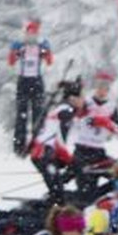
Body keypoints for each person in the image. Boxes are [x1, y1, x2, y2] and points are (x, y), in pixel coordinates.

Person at [30, 77, 84, 205]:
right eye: (81, 97)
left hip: (50, 153)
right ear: (72, 98)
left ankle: (58, 198)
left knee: (75, 168)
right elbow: (63, 117)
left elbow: (58, 141)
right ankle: (54, 207)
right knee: (57, 193)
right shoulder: (65, 109)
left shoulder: (64, 108)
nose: (83, 100)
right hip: (43, 155)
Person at [71, 69, 118, 195]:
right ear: (96, 86)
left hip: (98, 152)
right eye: (100, 85)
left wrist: (107, 123)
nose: (102, 90)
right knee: (85, 186)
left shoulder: (111, 106)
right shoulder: (87, 102)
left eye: (105, 86)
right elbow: (77, 114)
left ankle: (99, 196)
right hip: (82, 151)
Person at [8, 20, 52, 156]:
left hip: (37, 81)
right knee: (21, 115)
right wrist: (17, 52)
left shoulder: (41, 45)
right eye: (29, 34)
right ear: (25, 34)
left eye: (34, 34)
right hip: (23, 81)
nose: (31, 37)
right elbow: (11, 61)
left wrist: (44, 52)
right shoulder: (20, 45)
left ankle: (36, 145)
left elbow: (49, 61)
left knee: (38, 115)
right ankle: (19, 146)